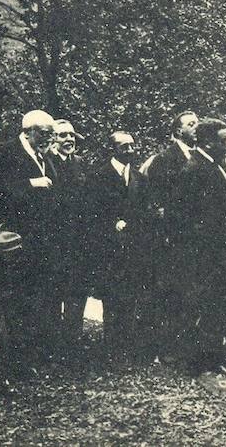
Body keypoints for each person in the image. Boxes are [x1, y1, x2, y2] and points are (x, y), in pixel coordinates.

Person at [0, 110, 59, 373]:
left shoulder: (45, 155)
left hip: (41, 242)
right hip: (15, 242)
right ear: (28, 130)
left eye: (50, 134)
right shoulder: (4, 152)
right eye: (44, 133)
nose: (48, 138)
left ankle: (35, 357)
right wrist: (31, 184)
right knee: (16, 301)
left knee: (38, 299)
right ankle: (16, 362)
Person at [170, 118, 226, 375]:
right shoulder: (193, 170)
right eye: (223, 140)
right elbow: (181, 216)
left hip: (216, 253)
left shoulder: (215, 166)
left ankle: (213, 359)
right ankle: (195, 363)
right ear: (207, 142)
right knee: (199, 305)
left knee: (215, 305)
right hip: (200, 254)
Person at [86, 132, 150, 364]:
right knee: (112, 298)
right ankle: (112, 348)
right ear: (113, 149)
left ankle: (128, 347)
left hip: (133, 248)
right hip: (109, 249)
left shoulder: (139, 178)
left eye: (133, 146)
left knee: (131, 297)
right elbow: (91, 214)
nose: (130, 151)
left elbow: (144, 211)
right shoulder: (98, 177)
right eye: (124, 147)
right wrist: (112, 224)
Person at [142, 110, 197, 361]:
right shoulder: (164, 160)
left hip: (191, 237)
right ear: (178, 132)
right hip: (170, 238)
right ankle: (164, 348)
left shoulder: (198, 158)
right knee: (168, 292)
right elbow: (156, 202)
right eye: (191, 124)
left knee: (188, 292)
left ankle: (185, 345)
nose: (196, 127)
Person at [49, 119, 89, 357]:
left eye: (72, 136)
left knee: (77, 290)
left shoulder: (80, 164)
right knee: (54, 291)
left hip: (78, 239)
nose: (69, 140)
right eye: (63, 135)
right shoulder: (46, 163)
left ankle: (72, 340)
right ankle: (54, 343)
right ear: (52, 139)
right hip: (55, 240)